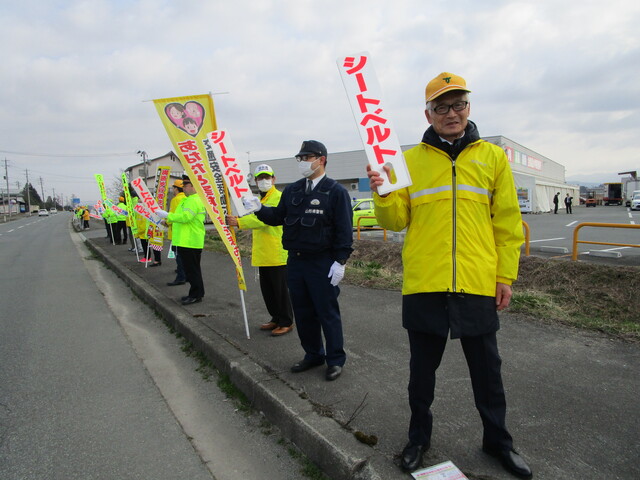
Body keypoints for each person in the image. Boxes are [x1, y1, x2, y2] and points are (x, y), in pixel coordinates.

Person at [367, 72, 532, 478]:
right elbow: (397, 219)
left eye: (458, 104)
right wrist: (383, 193)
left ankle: (498, 442)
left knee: (488, 374)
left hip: (477, 281)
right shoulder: (408, 161)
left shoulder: (492, 158)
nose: (451, 113)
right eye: (441, 106)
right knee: (421, 376)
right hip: (425, 281)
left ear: (468, 108)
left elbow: (507, 224)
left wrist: (505, 276)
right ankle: (418, 439)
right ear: (428, 113)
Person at [243, 140, 353, 381]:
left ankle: (335, 359)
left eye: (308, 157)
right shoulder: (293, 190)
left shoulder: (336, 192)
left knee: (327, 313)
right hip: (296, 261)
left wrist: (340, 261)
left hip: (322, 262)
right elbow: (277, 218)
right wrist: (258, 208)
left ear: (321, 159)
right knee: (303, 313)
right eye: (300, 158)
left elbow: (344, 230)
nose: (303, 162)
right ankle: (313, 354)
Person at [226, 164, 294, 336]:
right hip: (263, 252)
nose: (264, 181)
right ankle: (276, 318)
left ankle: (286, 321)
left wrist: (239, 222)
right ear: (255, 181)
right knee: (268, 290)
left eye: (267, 177)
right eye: (260, 178)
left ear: (274, 179)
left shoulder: (278, 197)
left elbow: (263, 219)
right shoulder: (258, 200)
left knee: (280, 290)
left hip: (277, 251)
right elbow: (252, 215)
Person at [156, 178, 206, 305]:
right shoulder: (186, 200)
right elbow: (179, 217)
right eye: (183, 185)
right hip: (185, 240)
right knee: (191, 269)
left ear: (194, 186)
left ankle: (196, 295)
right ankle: (196, 293)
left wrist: (167, 215)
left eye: (186, 185)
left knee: (192, 270)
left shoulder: (194, 200)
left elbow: (185, 217)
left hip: (190, 240)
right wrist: (168, 220)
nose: (184, 187)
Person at [166, 179, 187, 286]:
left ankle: (181, 277)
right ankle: (184, 273)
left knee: (178, 255)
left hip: (176, 231)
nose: (173, 190)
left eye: (173, 188)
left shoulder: (175, 200)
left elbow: (172, 216)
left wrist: (166, 222)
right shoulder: (186, 198)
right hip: (186, 232)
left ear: (176, 189)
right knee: (184, 255)